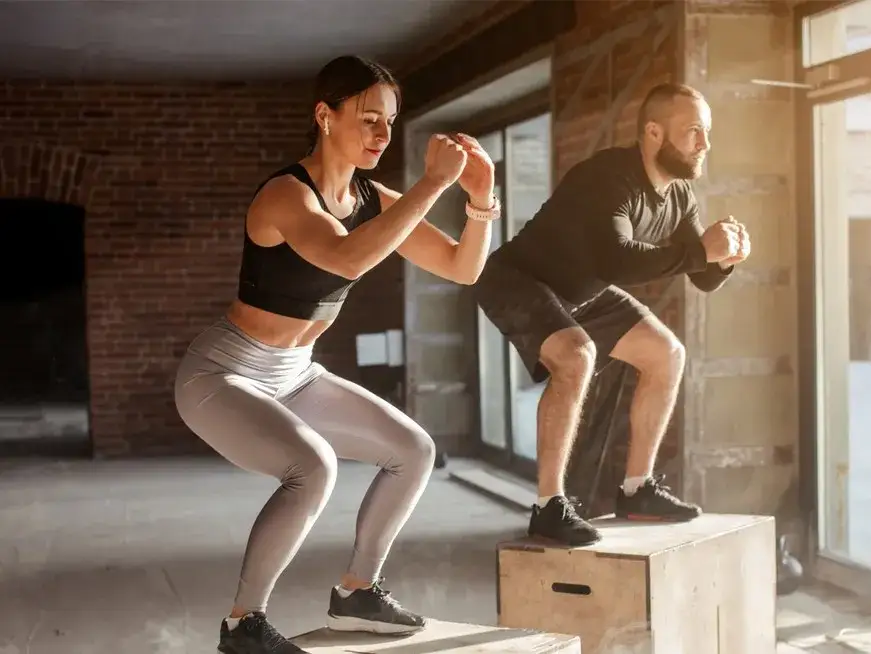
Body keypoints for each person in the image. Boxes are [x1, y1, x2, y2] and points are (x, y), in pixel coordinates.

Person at [173, 55, 499, 654]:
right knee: (313, 467)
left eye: (390, 123)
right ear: (325, 115)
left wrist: (481, 198)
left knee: (412, 450)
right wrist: (431, 184)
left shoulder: (372, 198)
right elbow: (348, 258)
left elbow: (462, 267)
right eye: (369, 118)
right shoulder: (284, 196)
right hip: (222, 374)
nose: (382, 135)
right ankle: (243, 626)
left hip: (295, 373)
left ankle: (357, 593)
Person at [472, 82, 751, 547]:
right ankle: (548, 506)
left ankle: (637, 490)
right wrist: (703, 252)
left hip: (583, 289)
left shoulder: (680, 195)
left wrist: (726, 259)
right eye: (694, 132)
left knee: (667, 353)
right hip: (516, 279)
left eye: (707, 133)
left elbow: (699, 273)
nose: (705, 145)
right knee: (576, 355)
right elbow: (619, 260)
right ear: (654, 134)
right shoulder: (607, 177)